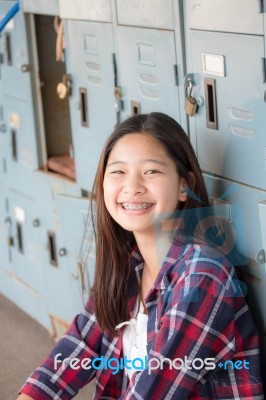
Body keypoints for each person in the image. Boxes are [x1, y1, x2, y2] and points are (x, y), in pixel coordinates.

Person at [17, 113, 263, 399]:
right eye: (118, 171)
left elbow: (155, 390)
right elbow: (79, 346)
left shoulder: (204, 274)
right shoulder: (129, 264)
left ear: (185, 186)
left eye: (151, 171)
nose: (132, 187)